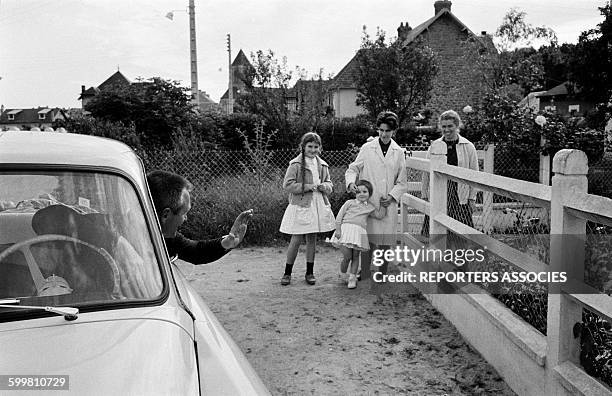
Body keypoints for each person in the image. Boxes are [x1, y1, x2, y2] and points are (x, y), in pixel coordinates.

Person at [345, 111, 408, 280]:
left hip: (388, 202)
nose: (383, 134)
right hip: (369, 201)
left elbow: (402, 182)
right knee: (368, 238)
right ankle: (364, 271)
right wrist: (351, 183)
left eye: (387, 131)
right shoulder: (367, 148)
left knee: (386, 238)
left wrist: (393, 196)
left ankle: (382, 271)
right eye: (380, 130)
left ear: (393, 131)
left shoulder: (398, 152)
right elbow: (353, 168)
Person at [146, 170, 253, 264]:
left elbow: (195, 251)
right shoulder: (134, 245)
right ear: (166, 215)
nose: (185, 219)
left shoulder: (163, 235)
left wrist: (226, 243)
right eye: (184, 213)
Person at [279, 132, 336, 286]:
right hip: (301, 204)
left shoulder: (323, 165)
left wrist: (326, 186)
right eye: (310, 146)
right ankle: (287, 273)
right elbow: (288, 185)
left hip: (317, 204)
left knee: (312, 239)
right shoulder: (296, 164)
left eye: (316, 147)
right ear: (303, 147)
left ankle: (309, 272)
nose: (313, 149)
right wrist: (309, 187)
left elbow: (329, 183)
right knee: (296, 239)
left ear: (320, 148)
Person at [421, 109, 479, 236]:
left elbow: (474, 174)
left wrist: (472, 198)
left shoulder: (468, 146)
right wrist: (424, 194)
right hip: (439, 194)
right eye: (444, 126)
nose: (446, 130)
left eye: (450, 126)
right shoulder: (435, 146)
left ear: (457, 126)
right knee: (436, 234)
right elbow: (427, 172)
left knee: (460, 236)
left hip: (460, 196)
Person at [329, 179, 387, 289]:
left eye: (365, 192)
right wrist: (338, 230)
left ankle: (352, 278)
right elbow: (339, 218)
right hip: (346, 231)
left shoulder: (370, 207)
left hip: (358, 233)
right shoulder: (349, 203)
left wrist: (383, 205)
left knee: (356, 256)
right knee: (347, 256)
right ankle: (342, 273)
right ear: (355, 193)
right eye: (359, 192)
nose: (362, 194)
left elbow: (379, 215)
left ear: (370, 194)